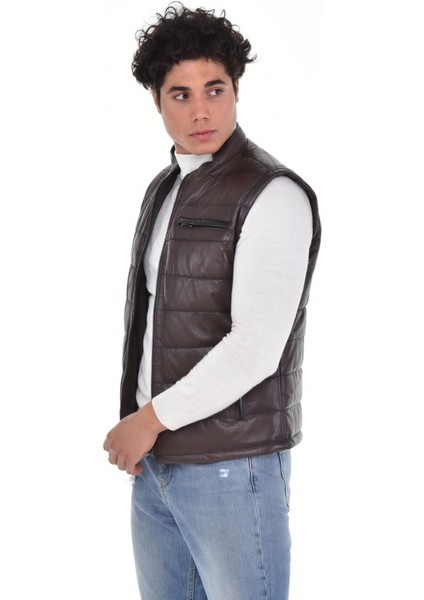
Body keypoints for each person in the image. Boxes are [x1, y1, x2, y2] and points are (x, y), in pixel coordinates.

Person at [103, 3, 321, 599]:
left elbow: (255, 348)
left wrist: (145, 422)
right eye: (180, 94)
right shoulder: (167, 187)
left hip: (232, 467)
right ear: (156, 100)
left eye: (215, 89)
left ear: (236, 90)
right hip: (157, 465)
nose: (201, 111)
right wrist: (145, 428)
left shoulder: (271, 194)